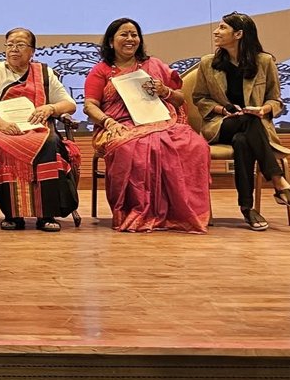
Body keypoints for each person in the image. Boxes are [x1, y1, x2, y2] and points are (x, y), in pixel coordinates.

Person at [83, 18, 211, 233]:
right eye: (124, 34)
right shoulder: (101, 71)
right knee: (131, 148)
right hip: (118, 125)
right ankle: (136, 212)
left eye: (134, 35)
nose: (130, 39)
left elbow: (179, 99)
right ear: (111, 41)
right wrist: (108, 122)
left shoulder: (155, 65)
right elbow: (90, 106)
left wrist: (164, 91)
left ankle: (178, 213)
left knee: (195, 145)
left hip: (160, 121)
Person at [191, 12, 290, 231]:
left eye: (222, 28)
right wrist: (223, 109)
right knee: (247, 122)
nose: (216, 32)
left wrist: (263, 110)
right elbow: (199, 98)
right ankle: (278, 182)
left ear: (238, 34)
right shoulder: (208, 63)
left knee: (242, 141)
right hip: (220, 125)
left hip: (253, 126)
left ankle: (247, 209)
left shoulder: (264, 61)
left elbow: (275, 100)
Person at [0, 28, 80, 232]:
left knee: (51, 143)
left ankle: (46, 214)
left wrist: (51, 108)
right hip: (4, 128)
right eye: (10, 45)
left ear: (32, 51)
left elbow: (69, 104)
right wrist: (0, 124)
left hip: (37, 128)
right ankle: (13, 215)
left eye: (20, 45)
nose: (14, 49)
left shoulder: (43, 73)